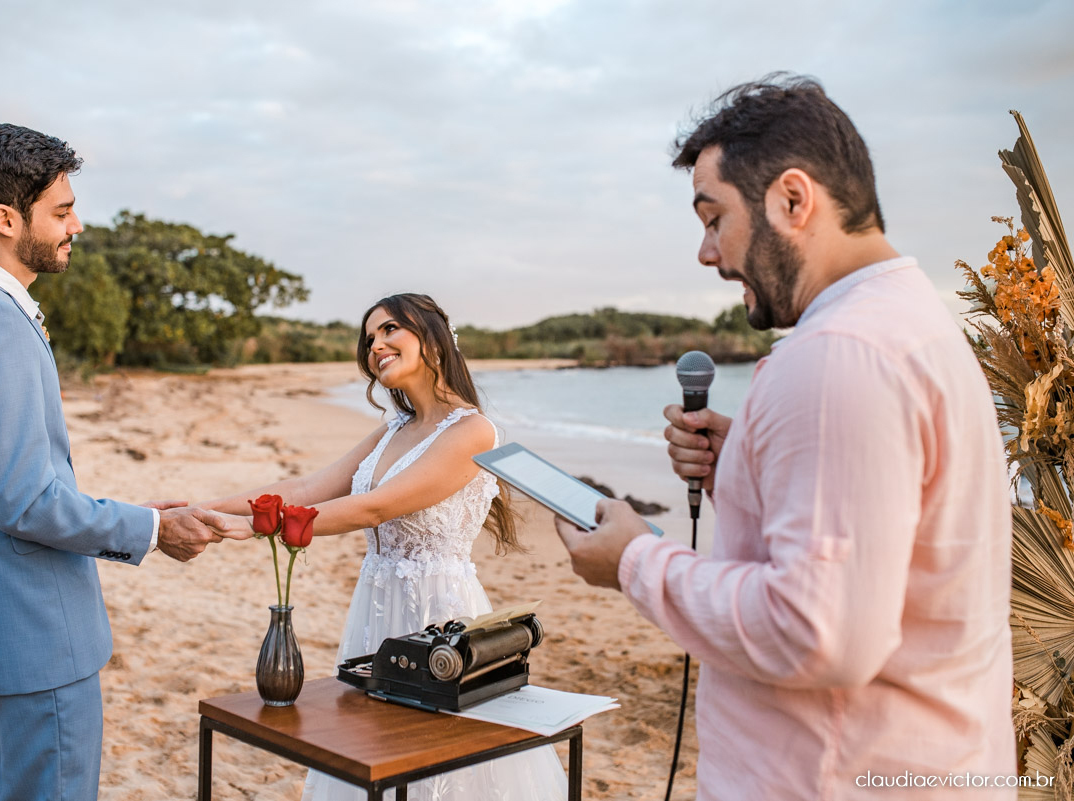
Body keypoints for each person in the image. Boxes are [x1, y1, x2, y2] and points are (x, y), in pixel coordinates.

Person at [554, 77, 1015, 799]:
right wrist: (747, 461)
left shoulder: (840, 354)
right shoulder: (912, 320)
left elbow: (818, 630)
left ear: (792, 201)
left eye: (715, 218)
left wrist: (634, 561)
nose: (708, 253)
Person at [0, 123, 244, 801]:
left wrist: (139, 510)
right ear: (5, 219)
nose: (76, 225)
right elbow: (25, 502)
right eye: (60, 211)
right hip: (33, 641)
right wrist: (152, 529)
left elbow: (11, 483)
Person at [203, 293, 567, 800]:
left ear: (434, 340)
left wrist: (268, 527)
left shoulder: (473, 431)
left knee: (439, 763)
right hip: (376, 610)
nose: (376, 345)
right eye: (370, 337)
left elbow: (376, 507)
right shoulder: (393, 429)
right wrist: (208, 509)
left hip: (440, 616)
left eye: (390, 329)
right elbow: (312, 488)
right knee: (369, 752)